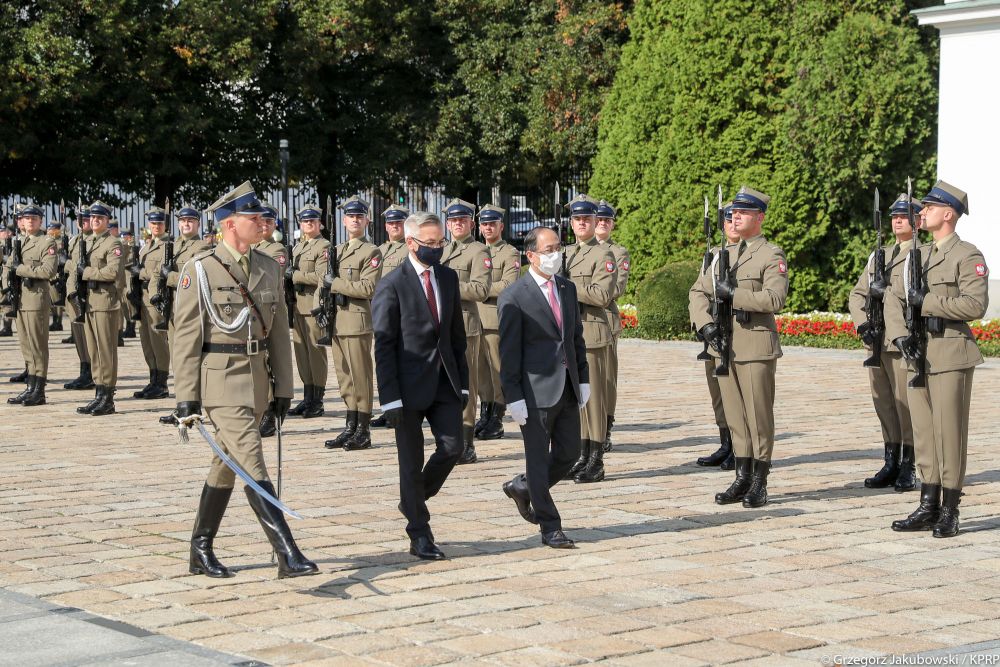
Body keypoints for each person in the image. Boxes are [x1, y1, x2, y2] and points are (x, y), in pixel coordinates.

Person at [174, 181, 317, 579]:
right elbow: (186, 338)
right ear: (230, 224)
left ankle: (200, 548)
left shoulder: (270, 266)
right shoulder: (200, 269)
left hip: (257, 381)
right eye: (253, 217)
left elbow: (279, 333)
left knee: (226, 463)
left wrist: (283, 388)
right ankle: (288, 554)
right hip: (220, 381)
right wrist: (186, 397)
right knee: (253, 461)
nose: (262, 222)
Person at [884, 181, 989, 538]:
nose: (922, 211)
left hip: (950, 353)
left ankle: (950, 509)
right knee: (924, 433)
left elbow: (975, 304)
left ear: (948, 214)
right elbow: (893, 298)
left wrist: (926, 302)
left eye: (929, 207)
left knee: (949, 433)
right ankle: (928, 504)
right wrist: (899, 335)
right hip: (916, 352)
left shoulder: (967, 255)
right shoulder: (917, 254)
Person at [372, 211, 468, 560]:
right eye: (430, 243)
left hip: (444, 382)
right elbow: (383, 345)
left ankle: (412, 498)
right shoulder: (392, 284)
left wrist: (464, 384)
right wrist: (389, 399)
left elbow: (456, 336)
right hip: (407, 388)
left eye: (441, 242)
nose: (437, 248)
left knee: (453, 447)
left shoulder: (447, 277)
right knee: (410, 462)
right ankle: (419, 533)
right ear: (411, 243)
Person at [690, 186, 788, 508]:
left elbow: (775, 299)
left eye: (744, 212)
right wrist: (705, 325)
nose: (735, 217)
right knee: (734, 415)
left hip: (754, 345)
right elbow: (698, 292)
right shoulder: (723, 255)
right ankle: (742, 476)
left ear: (760, 217)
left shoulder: (770, 254)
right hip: (723, 344)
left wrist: (734, 294)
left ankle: (759, 480)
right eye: (733, 213)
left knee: (758, 416)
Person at [498, 226, 588, 549]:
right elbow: (509, 353)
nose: (555, 255)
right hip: (533, 392)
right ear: (531, 255)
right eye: (548, 250)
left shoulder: (566, 288)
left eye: (558, 248)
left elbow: (575, 338)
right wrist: (513, 396)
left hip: (567, 387)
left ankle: (524, 487)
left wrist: (583, 377)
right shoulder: (514, 296)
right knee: (537, 459)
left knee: (570, 453)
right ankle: (550, 527)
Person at [848, 194, 919, 492]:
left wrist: (885, 290)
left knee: (906, 405)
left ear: (918, 221)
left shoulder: (921, 254)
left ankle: (909, 464)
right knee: (884, 403)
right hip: (877, 340)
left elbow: (911, 295)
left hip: (901, 340)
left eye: (904, 216)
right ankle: (890, 461)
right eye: (894, 216)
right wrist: (862, 324)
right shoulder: (880, 255)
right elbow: (857, 294)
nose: (897, 221)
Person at [319, 196, 383, 451]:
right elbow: (323, 283)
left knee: (360, 376)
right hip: (337, 321)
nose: (355, 220)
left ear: (367, 220)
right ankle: (351, 425)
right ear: (344, 221)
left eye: (359, 216)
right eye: (350, 216)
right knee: (344, 376)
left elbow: (368, 288)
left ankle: (363, 430)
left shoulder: (371, 251)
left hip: (356, 322)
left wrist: (334, 283)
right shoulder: (339, 250)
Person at [562, 194, 616, 483]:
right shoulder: (565, 253)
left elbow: (602, 295)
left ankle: (596, 459)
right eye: (577, 219)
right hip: (569, 333)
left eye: (586, 219)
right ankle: (582, 454)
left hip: (591, 333)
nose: (581, 223)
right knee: (577, 398)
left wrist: (567, 286)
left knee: (593, 399)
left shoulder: (603, 255)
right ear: (571, 223)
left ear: (595, 222)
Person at [440, 198, 491, 463]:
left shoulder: (478, 251)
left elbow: (481, 290)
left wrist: (448, 286)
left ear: (471, 223)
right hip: (441, 325)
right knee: (445, 383)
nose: (457, 224)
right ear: (447, 224)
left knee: (466, 383)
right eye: (453, 220)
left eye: (462, 220)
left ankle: (467, 442)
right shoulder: (441, 250)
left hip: (466, 325)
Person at [692, 203, 738, 471]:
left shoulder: (748, 254)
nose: (732, 224)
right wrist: (705, 324)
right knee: (718, 393)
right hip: (713, 332)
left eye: (736, 219)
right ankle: (726, 443)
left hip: (735, 333)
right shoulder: (713, 255)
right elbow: (698, 291)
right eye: (728, 220)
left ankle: (741, 448)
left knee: (734, 394)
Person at [73, 201, 125, 416]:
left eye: (100, 218)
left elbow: (112, 272)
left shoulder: (113, 243)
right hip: (89, 302)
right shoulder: (86, 241)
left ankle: (108, 397)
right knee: (93, 350)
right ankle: (99, 392)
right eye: (93, 217)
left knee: (105, 350)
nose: (95, 220)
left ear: (107, 220)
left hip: (105, 302)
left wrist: (86, 272)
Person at [474, 204, 520, 441]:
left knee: (497, 370)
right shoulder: (476, 251)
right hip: (475, 319)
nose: (488, 228)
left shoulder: (509, 253)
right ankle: (485, 412)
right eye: (484, 224)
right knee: (480, 371)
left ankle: (498, 417)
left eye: (492, 224)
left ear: (501, 226)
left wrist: (479, 289)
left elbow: (508, 285)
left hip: (494, 319)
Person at [5, 204, 57, 406]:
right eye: (27, 218)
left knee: (38, 346)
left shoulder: (47, 242)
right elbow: (8, 266)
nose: (30, 221)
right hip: (20, 299)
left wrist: (21, 269)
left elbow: (48, 271)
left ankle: (39, 390)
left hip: (36, 299)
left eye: (34, 218)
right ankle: (30, 387)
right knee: (26, 346)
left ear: (40, 221)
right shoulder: (20, 241)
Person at [286, 203, 329, 421]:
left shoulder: (324, 246)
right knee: (302, 354)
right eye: (305, 221)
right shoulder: (298, 247)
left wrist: (295, 275)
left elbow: (322, 277)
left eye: (312, 220)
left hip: (313, 306)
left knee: (315, 354)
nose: (308, 224)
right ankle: (307, 396)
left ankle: (317, 400)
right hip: (297, 306)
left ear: (319, 223)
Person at [594, 200, 630, 452]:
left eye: (607, 220)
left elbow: (616, 288)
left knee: (606, 378)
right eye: (599, 219)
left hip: (605, 319)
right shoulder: (574, 250)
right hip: (579, 319)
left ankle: (605, 426)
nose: (602, 223)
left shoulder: (618, 253)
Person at [370, 204, 409, 428]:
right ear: (385, 226)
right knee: (384, 361)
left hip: (400, 312)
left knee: (400, 361)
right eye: (391, 223)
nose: (394, 226)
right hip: (381, 312)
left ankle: (401, 406)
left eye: (398, 222)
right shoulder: (380, 250)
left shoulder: (409, 250)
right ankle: (388, 405)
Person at [134, 208, 171, 400]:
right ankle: (153, 378)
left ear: (165, 224)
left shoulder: (167, 246)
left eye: (159, 223)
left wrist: (140, 272)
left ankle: (162, 383)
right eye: (153, 223)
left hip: (156, 297)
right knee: (146, 341)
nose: (156, 226)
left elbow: (160, 272)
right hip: (142, 298)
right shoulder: (147, 245)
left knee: (158, 340)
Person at [63, 209, 94, 389]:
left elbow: (79, 266)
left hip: (84, 294)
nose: (83, 222)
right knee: (78, 335)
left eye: (86, 219)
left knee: (87, 335)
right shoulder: (75, 240)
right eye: (80, 219)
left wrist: (67, 263)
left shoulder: (93, 241)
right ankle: (84, 369)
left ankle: (91, 372)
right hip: (72, 292)